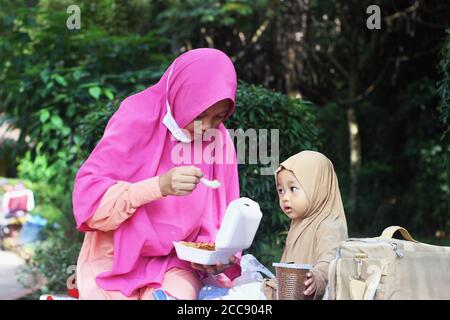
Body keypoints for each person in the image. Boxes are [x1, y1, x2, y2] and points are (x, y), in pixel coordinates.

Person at [72, 48, 241, 300]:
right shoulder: (136, 117)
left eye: (218, 118)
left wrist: (218, 257)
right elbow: (89, 203)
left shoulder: (219, 140)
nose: (206, 128)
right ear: (180, 96)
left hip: (176, 264)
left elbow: (223, 219)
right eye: (199, 115)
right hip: (114, 258)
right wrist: (160, 186)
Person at [262, 150, 348, 299]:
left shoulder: (329, 225)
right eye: (281, 190)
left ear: (317, 188)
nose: (285, 197)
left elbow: (330, 262)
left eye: (293, 189)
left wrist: (317, 277)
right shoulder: (299, 223)